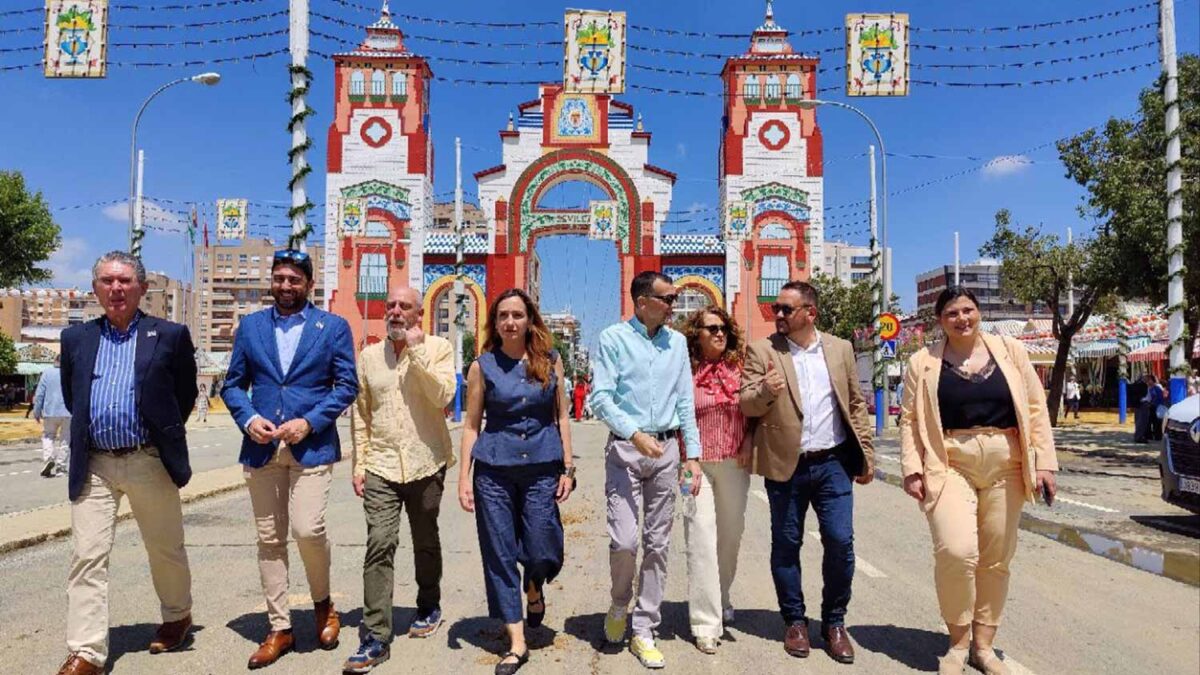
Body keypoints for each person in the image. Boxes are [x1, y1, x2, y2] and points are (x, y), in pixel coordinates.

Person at [898, 287, 1059, 675]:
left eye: (968, 310)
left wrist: (1045, 464)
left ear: (978, 312)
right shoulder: (922, 363)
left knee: (996, 559)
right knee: (956, 551)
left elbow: (1035, 409)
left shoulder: (1011, 352)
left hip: (1008, 462)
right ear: (940, 320)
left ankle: (983, 647)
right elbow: (908, 419)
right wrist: (912, 468)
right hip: (949, 461)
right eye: (952, 313)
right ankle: (957, 643)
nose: (962, 318)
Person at [55, 251, 198, 675]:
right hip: (95, 464)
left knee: (164, 548)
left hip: (148, 460)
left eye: (124, 281)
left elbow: (184, 395)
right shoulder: (76, 339)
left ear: (142, 287)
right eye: (106, 281)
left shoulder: (170, 335)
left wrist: (159, 432)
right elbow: (71, 396)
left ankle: (177, 616)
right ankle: (87, 652)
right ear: (95, 288)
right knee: (87, 556)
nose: (115, 289)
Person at [221, 249, 358, 670]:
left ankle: (322, 604)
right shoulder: (250, 327)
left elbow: (346, 384)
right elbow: (232, 386)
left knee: (307, 527)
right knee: (269, 539)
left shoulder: (332, 327)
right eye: (279, 278)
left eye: (294, 279)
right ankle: (279, 627)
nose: (285, 286)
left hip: (311, 446)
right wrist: (248, 420)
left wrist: (311, 422)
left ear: (308, 285)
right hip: (262, 448)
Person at [740, 281, 874, 665]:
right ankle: (795, 621)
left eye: (785, 309)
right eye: (775, 308)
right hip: (787, 463)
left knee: (840, 541)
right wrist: (765, 389)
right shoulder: (763, 350)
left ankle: (834, 623)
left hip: (832, 462)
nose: (777, 315)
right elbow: (746, 404)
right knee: (786, 544)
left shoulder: (840, 348)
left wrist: (865, 456)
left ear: (809, 313)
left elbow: (854, 403)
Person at [458, 288, 575, 675]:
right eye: (503, 316)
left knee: (542, 545)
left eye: (517, 315)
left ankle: (535, 585)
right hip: (494, 470)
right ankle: (517, 641)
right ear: (496, 323)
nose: (510, 322)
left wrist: (568, 468)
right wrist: (463, 478)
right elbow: (472, 425)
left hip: (542, 466)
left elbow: (562, 417)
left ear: (529, 321)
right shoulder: (482, 366)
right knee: (500, 552)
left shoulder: (550, 361)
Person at [590, 271, 702, 670]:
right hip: (625, 450)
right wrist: (634, 434)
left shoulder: (677, 344)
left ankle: (644, 627)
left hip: (668, 451)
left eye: (674, 298)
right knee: (625, 540)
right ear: (641, 302)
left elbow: (685, 400)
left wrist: (693, 455)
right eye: (667, 298)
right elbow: (600, 399)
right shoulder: (613, 340)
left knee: (658, 544)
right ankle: (620, 602)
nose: (674, 305)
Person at [342, 287, 457, 674]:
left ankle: (428, 603)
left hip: (427, 462)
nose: (395, 311)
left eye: (404, 306)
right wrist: (360, 464)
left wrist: (416, 350)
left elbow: (442, 394)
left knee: (425, 538)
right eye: (390, 305)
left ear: (418, 314)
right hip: (382, 464)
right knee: (380, 542)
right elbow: (362, 414)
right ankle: (375, 635)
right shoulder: (369, 357)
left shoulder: (439, 347)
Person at [680, 305, 751, 654]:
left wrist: (750, 443)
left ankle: (721, 594)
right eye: (711, 328)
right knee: (701, 537)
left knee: (731, 536)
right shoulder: (684, 372)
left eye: (723, 327)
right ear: (698, 335)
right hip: (696, 465)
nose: (719, 333)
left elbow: (755, 413)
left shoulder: (741, 369)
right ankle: (706, 623)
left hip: (735, 463)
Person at [32, 354, 71, 478]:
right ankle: (61, 467)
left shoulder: (47, 373)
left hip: (50, 411)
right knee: (65, 440)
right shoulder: (71, 374)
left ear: (55, 361)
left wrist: (37, 411)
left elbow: (39, 394)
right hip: (68, 412)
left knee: (48, 436)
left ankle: (49, 458)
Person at [1143, 374, 1166, 442]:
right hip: (1149, 407)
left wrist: (1152, 403)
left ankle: (1157, 436)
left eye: (1149, 380)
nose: (1148, 381)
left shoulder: (1157, 388)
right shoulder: (1147, 388)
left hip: (1156, 407)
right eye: (1147, 380)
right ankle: (1149, 435)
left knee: (1157, 422)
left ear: (1153, 380)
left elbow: (1159, 398)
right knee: (1148, 422)